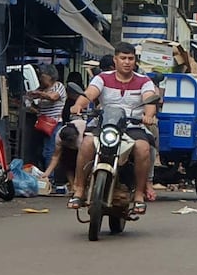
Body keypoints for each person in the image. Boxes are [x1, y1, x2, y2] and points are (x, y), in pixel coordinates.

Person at [67, 42, 157, 214]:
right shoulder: (102, 78)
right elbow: (90, 94)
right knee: (86, 143)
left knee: (143, 148)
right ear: (115, 60)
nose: (127, 62)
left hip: (132, 126)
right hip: (104, 124)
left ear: (135, 61)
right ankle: (79, 189)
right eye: (123, 58)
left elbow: (150, 100)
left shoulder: (144, 81)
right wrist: (78, 105)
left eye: (130, 58)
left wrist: (148, 115)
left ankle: (139, 194)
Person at [27, 64, 67, 171]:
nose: (40, 78)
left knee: (50, 151)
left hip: (54, 124)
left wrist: (38, 94)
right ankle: (43, 172)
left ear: (50, 76)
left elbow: (53, 97)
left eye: (42, 76)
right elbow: (33, 103)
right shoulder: (42, 89)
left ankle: (50, 177)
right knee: (40, 151)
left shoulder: (58, 86)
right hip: (42, 124)